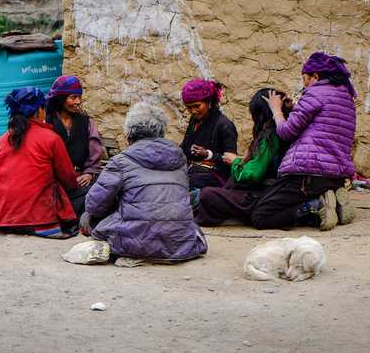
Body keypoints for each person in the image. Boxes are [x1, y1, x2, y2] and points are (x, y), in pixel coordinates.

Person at [80, 102, 208, 262]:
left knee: (87, 218)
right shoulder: (180, 158)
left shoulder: (121, 161)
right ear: (161, 132)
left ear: (129, 134)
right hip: (179, 242)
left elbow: (94, 205)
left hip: (135, 244)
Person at [250, 52, 357, 231]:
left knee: (261, 215)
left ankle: (314, 206)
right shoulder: (346, 98)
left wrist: (277, 110)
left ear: (316, 76)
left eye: (305, 79)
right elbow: (321, 127)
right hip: (335, 175)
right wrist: (295, 109)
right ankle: (331, 196)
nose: (304, 84)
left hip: (308, 175)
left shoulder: (314, 93)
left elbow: (285, 132)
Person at [0, 87, 80, 238]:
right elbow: (68, 179)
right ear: (39, 111)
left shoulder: (2, 140)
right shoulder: (50, 138)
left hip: (3, 217)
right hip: (39, 218)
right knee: (85, 194)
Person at [194, 88, 293, 226]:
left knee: (207, 194)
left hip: (265, 194)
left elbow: (253, 174)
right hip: (268, 191)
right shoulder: (279, 133)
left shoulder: (269, 137)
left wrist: (235, 161)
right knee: (225, 185)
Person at [46, 75, 102, 216]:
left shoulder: (86, 122)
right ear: (60, 98)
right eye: (72, 97)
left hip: (81, 178)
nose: (78, 102)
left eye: (79, 97)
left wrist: (89, 172)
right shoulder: (47, 121)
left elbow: (94, 151)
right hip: (55, 181)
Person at [179, 78, 238, 189]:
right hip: (193, 172)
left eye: (197, 106)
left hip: (215, 177)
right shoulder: (195, 120)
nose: (193, 111)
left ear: (209, 102)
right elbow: (185, 146)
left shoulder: (224, 125)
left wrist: (208, 155)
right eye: (189, 107)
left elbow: (231, 161)